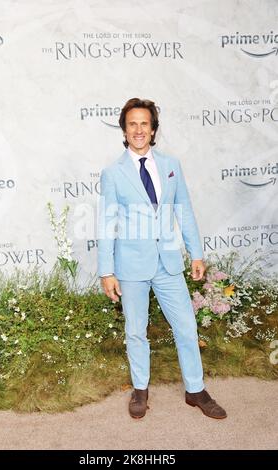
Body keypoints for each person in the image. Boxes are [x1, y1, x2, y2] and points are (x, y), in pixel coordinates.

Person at [97, 98, 226, 420]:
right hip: (130, 265)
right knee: (136, 330)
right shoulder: (113, 173)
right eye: (132, 124)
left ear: (153, 129)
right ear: (124, 130)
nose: (138, 130)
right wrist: (106, 271)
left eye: (144, 123)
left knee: (186, 326)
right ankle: (140, 389)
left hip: (168, 261)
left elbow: (184, 209)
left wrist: (196, 252)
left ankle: (195, 390)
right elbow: (105, 223)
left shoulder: (171, 165)